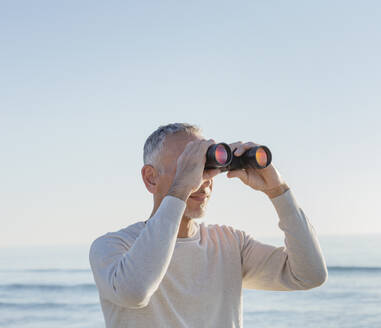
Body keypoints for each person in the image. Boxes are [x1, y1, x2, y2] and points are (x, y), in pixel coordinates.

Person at [89, 123, 328, 328]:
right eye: (189, 167)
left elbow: (310, 275)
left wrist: (277, 190)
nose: (202, 180)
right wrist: (181, 190)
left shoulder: (230, 244)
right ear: (151, 177)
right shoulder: (112, 247)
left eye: (206, 167)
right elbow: (135, 291)